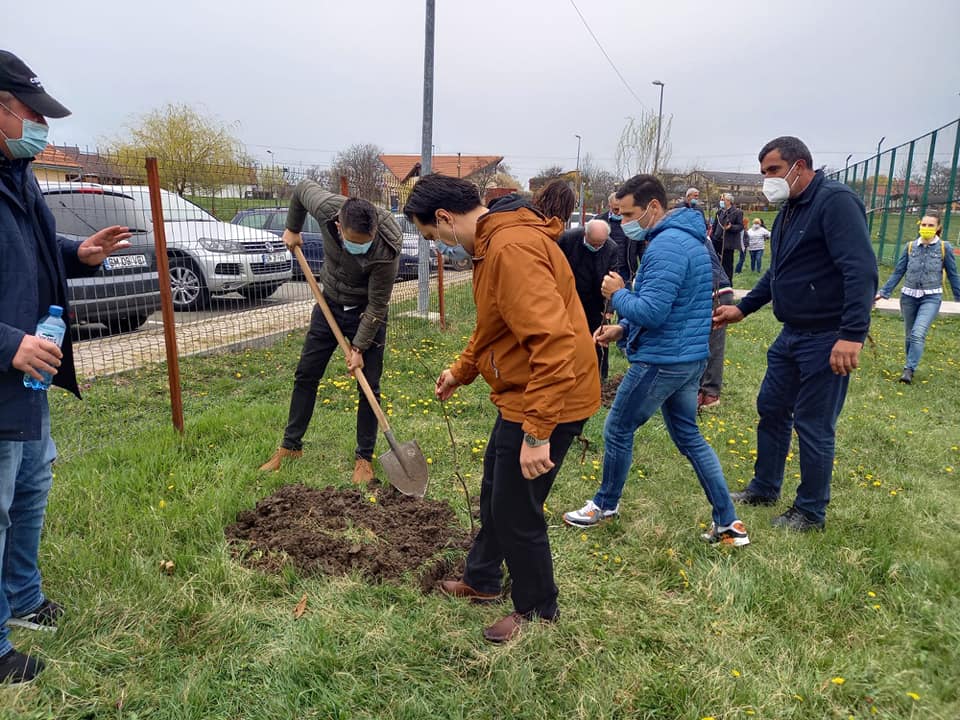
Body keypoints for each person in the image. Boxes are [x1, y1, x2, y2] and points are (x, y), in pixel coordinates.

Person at [403, 174, 600, 643]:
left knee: (516, 508)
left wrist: (537, 433)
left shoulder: (509, 250)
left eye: (432, 237)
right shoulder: (491, 246)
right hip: (523, 391)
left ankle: (537, 609)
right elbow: (494, 326)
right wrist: (460, 370)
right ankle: (483, 578)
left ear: (446, 219)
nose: (437, 248)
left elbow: (553, 343)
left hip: (551, 396)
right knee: (496, 490)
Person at [1, 50, 134, 684]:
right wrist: (7, 344)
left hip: (31, 379)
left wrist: (77, 251)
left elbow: (29, 243)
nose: (42, 128)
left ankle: (23, 600)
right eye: (32, 115)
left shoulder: (17, 172)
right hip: (7, 371)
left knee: (29, 495)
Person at [562, 174, 750, 548]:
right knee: (689, 437)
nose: (621, 222)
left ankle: (605, 505)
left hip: (661, 360)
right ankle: (728, 522)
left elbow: (653, 311)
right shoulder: (690, 240)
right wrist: (621, 329)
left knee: (617, 429)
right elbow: (673, 305)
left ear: (653, 207)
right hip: (689, 357)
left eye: (627, 213)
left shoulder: (667, 247)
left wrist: (617, 296)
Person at [713, 136, 878, 532]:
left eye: (773, 171)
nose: (767, 180)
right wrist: (743, 308)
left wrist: (852, 335)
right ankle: (765, 486)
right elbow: (778, 271)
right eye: (764, 172)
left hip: (827, 335)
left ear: (799, 166)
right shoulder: (789, 211)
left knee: (813, 423)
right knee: (771, 408)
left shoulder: (835, 203)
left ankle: (809, 511)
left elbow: (860, 270)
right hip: (792, 335)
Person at [259, 181, 401, 484]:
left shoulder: (388, 246)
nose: (360, 247)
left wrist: (359, 348)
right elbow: (299, 191)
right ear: (338, 226)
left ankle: (364, 457)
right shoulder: (325, 207)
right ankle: (290, 446)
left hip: (366, 311)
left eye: (366, 242)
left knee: (368, 385)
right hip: (330, 305)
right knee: (306, 374)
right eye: (353, 241)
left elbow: (378, 303)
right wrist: (292, 228)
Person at [875, 210, 960, 384]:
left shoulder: (945, 248)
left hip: (931, 297)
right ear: (919, 225)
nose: (926, 228)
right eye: (924, 225)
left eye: (930, 225)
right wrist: (884, 292)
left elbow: (953, 274)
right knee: (909, 335)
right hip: (908, 297)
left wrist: (959, 297)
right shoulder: (910, 246)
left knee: (918, 333)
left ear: (938, 228)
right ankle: (910, 363)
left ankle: (909, 370)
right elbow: (899, 271)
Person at [556, 218, 619, 380]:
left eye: (601, 243)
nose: (597, 246)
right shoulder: (568, 239)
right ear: (585, 234)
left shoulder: (611, 247)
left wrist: (609, 308)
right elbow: (554, 265)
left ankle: (600, 376)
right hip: (569, 297)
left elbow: (613, 278)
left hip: (596, 299)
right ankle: (566, 374)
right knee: (566, 338)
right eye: (594, 242)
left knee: (598, 339)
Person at [716, 193, 744, 280]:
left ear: (728, 201)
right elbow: (715, 225)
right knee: (717, 264)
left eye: (722, 200)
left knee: (727, 265)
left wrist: (731, 227)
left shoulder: (737, 212)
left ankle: (728, 283)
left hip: (728, 243)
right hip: (717, 241)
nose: (721, 201)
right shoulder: (720, 211)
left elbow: (740, 226)